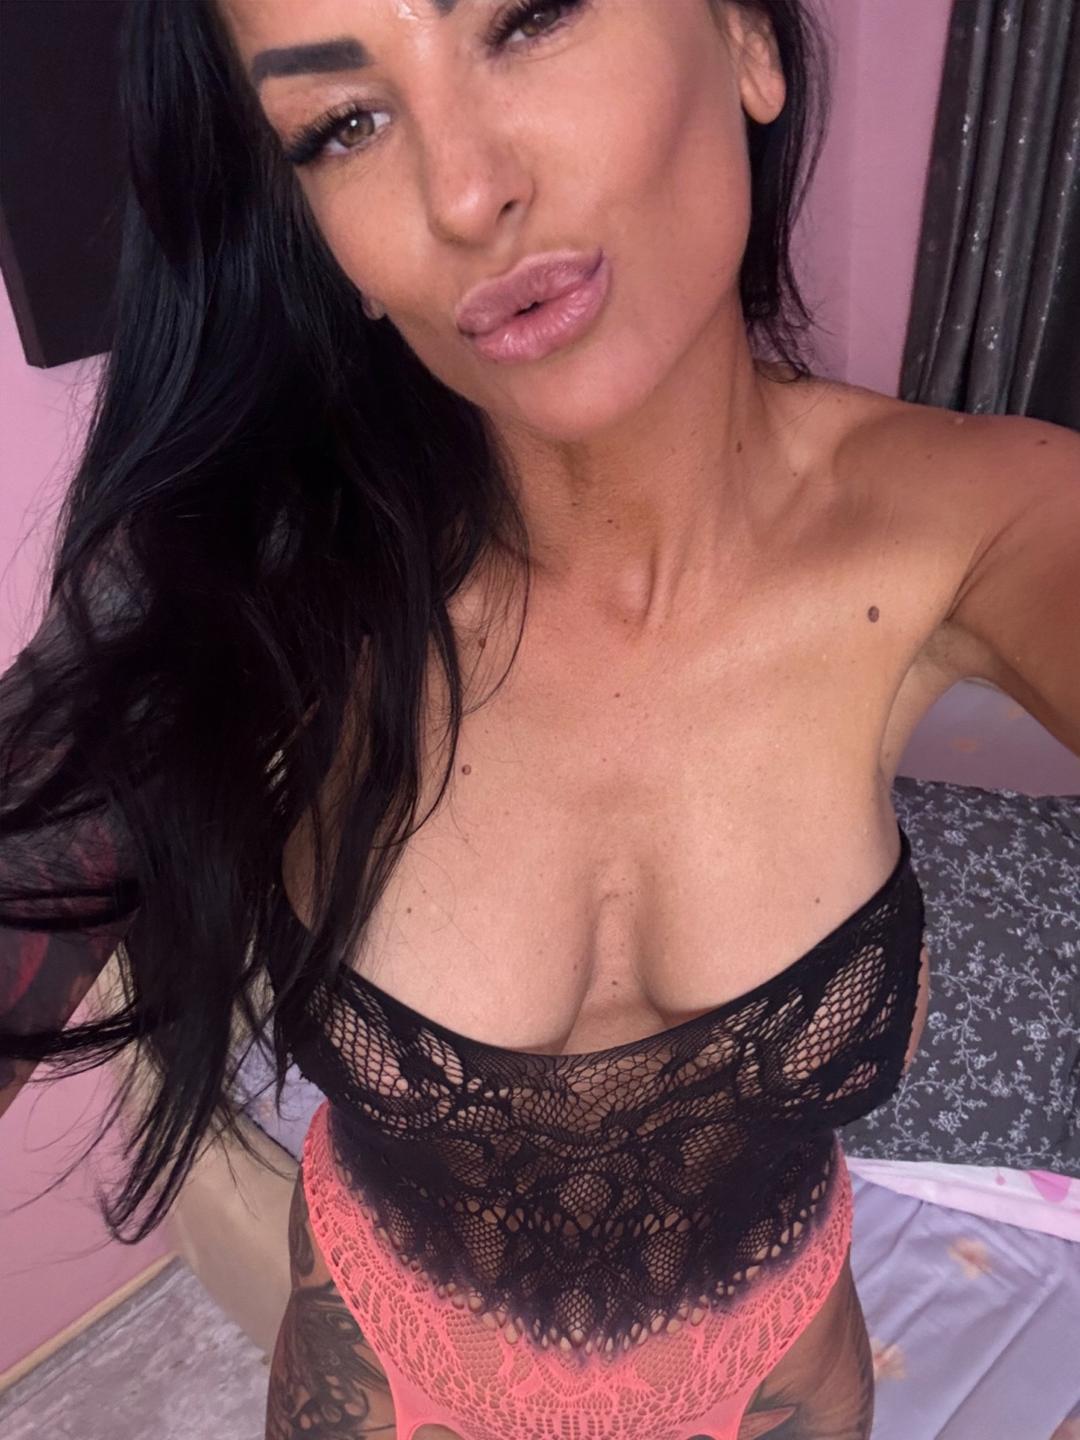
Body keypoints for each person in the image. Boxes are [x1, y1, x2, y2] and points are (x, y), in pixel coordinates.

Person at [1, 1, 1077, 1437]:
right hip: (382, 1386)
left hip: (772, 1393)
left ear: (747, 40)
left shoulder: (992, 519)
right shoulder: (233, 574)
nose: (463, 194)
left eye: (528, 18)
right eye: (343, 125)